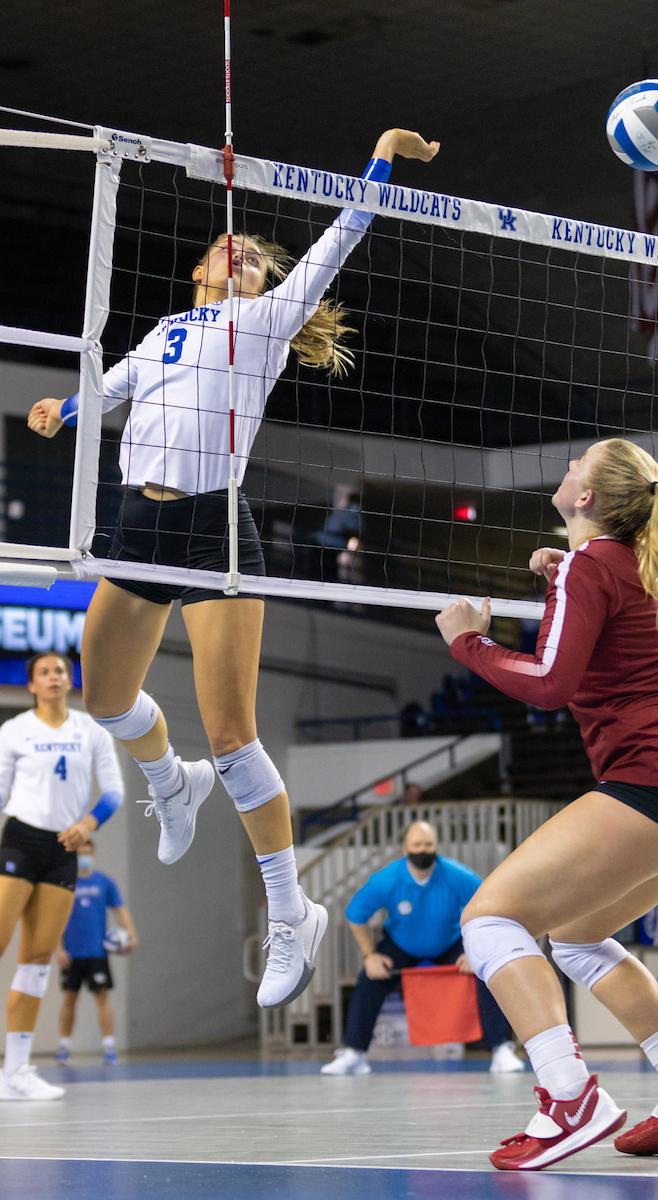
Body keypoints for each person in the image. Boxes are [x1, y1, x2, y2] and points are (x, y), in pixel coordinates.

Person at [27, 128, 440, 1010]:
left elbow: (338, 244)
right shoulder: (169, 329)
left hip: (218, 528)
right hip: (139, 521)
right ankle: (169, 783)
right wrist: (61, 409)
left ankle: (293, 912)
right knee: (105, 701)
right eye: (230, 246)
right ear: (200, 272)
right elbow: (113, 387)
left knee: (234, 735)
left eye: (255, 254)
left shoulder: (264, 324)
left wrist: (374, 162)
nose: (242, 251)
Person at [434, 438, 658, 1171]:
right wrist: (556, 575)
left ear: (585, 499)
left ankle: (570, 1100)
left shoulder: (592, 564)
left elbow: (549, 683)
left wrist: (468, 643)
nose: (567, 466)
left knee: (487, 919)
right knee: (573, 935)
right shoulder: (625, 563)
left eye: (578, 463)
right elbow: (596, 640)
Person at [0, 652, 124, 1100]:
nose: (54, 677)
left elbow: (114, 792)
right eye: (44, 672)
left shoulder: (90, 730)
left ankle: (16, 1072)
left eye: (60, 671)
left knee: (35, 964)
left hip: (65, 850)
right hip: (20, 842)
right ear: (31, 684)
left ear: (69, 681)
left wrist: (88, 824)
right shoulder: (13, 732)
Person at [320, 821, 524, 1075]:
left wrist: (473, 950)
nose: (423, 849)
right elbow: (355, 914)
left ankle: (501, 1050)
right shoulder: (388, 879)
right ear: (405, 848)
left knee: (487, 972)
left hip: (450, 943)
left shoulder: (456, 875)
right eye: (417, 845)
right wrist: (370, 955)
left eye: (428, 844)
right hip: (401, 945)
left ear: (436, 846)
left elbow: (489, 906)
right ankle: (354, 1053)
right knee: (369, 979)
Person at [55, 838, 138, 1064]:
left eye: (87, 851)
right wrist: (59, 949)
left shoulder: (104, 882)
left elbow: (119, 909)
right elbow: (55, 920)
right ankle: (64, 1046)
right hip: (71, 953)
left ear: (93, 853)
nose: (84, 855)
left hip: (97, 952)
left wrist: (131, 934)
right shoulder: (65, 883)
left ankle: (109, 1047)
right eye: (80, 851)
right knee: (69, 999)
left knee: (102, 998)